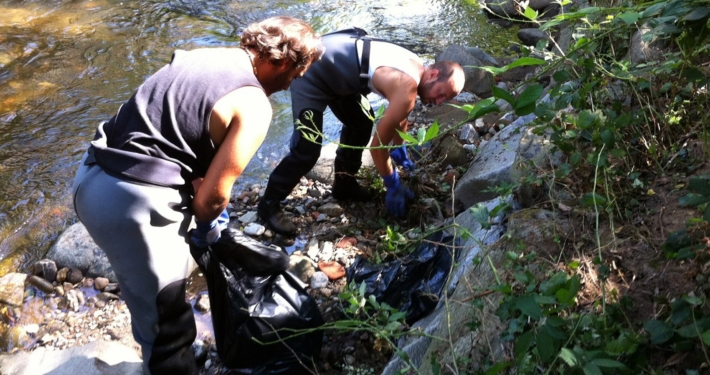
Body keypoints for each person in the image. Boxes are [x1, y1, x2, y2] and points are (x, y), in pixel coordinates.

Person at [71, 16, 323, 375]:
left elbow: (165, 126)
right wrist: (211, 229)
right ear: (281, 62)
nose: (293, 84)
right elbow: (210, 201)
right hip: (134, 206)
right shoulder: (254, 104)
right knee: (168, 327)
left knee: (144, 302)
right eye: (296, 74)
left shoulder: (200, 56)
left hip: (89, 177)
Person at [257, 28, 465, 236]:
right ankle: (269, 203)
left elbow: (400, 115)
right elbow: (377, 147)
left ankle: (344, 186)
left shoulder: (415, 65)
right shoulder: (407, 87)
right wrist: (392, 183)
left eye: (444, 100)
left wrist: (399, 147)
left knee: (362, 123)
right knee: (307, 149)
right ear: (434, 74)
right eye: (441, 94)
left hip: (340, 74)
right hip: (311, 71)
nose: (438, 102)